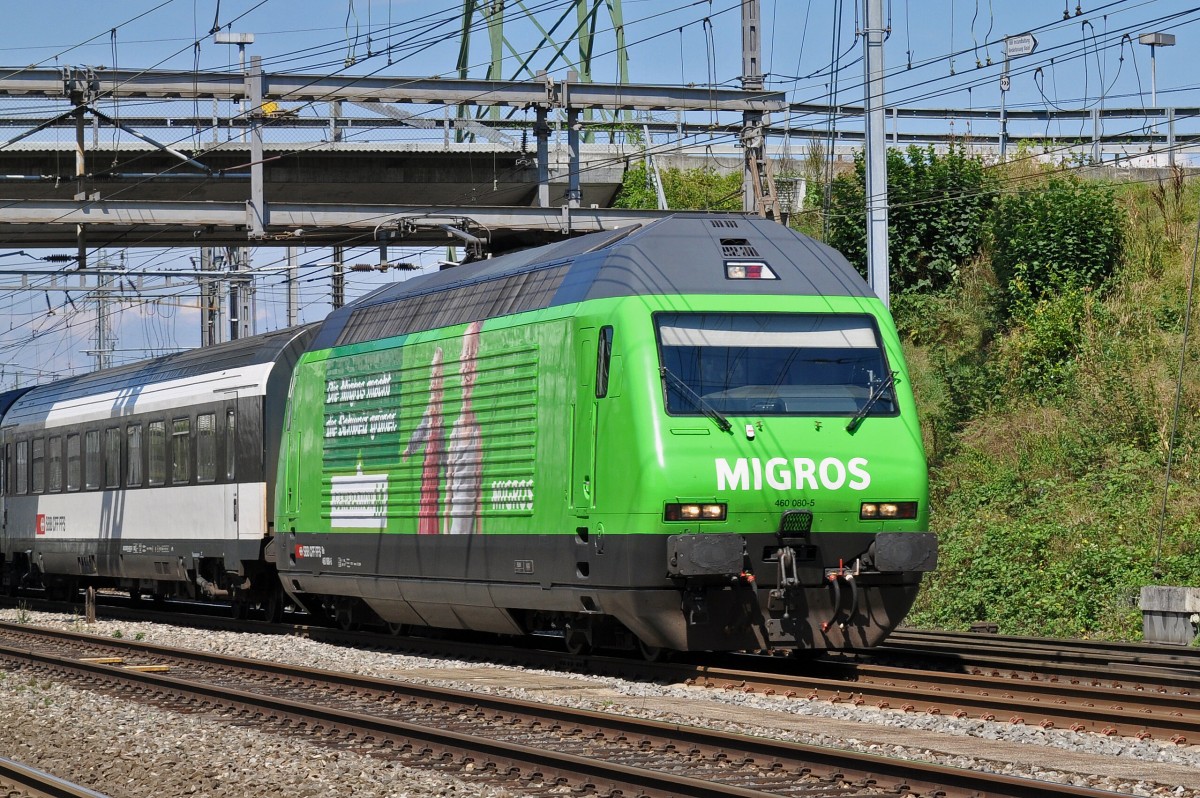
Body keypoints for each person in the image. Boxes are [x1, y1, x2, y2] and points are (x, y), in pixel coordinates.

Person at [444, 322, 483, 534]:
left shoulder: (478, 431)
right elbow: (449, 488)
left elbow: (479, 491)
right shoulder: (454, 431)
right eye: (464, 356)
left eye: (472, 357)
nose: (467, 367)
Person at [402, 347, 444, 535]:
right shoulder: (430, 410)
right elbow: (420, 430)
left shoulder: (441, 410)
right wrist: (409, 449)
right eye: (433, 376)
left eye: (438, 376)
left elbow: (443, 445)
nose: (435, 381)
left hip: (436, 467)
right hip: (429, 465)